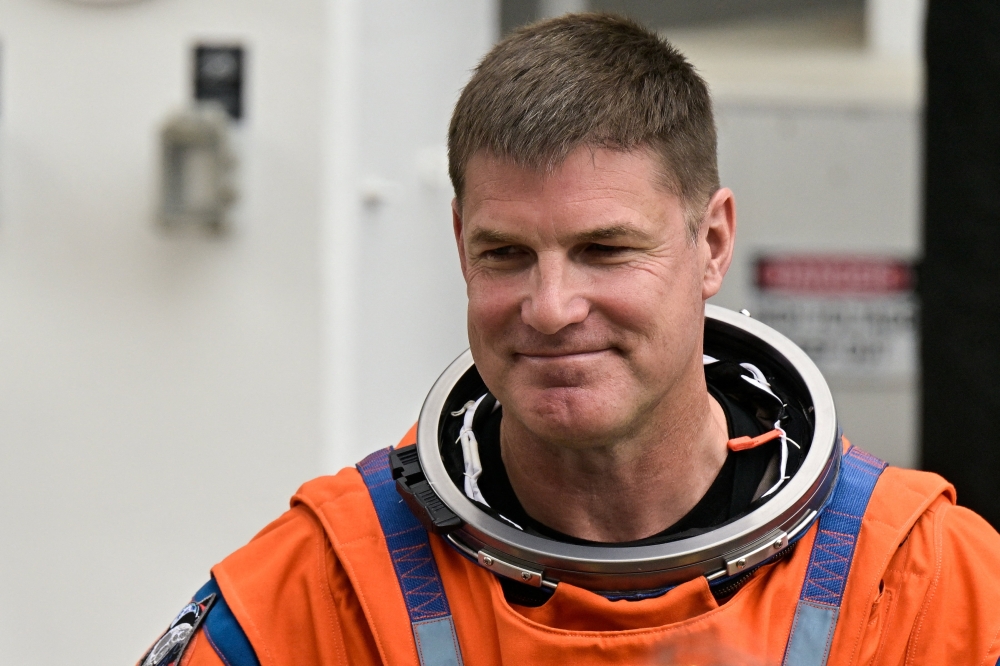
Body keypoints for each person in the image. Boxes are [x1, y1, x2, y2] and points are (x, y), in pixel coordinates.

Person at [138, 13, 1000, 666]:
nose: (550, 308)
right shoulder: (321, 599)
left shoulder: (924, 587)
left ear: (711, 244)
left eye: (605, 250)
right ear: (459, 246)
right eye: (506, 254)